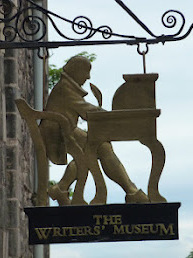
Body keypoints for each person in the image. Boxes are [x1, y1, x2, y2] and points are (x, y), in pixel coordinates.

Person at [39, 56, 149, 205]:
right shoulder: (65, 89)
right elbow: (86, 110)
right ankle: (131, 192)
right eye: (86, 72)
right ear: (76, 70)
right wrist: (113, 116)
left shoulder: (67, 87)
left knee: (101, 147)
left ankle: (61, 187)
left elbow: (86, 110)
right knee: (99, 148)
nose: (88, 77)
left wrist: (108, 116)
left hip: (64, 129)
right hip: (56, 133)